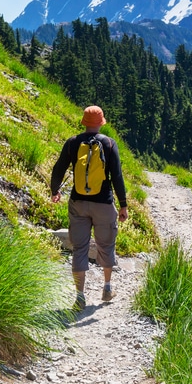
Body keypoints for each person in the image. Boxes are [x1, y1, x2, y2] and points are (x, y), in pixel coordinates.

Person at [50, 105, 129, 311]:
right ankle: (107, 288)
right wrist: (123, 205)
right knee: (106, 245)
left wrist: (54, 191)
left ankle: (79, 296)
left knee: (80, 248)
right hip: (103, 203)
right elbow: (117, 177)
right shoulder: (109, 144)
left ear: (84, 122)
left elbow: (58, 168)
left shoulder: (72, 143)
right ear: (101, 123)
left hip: (78, 202)